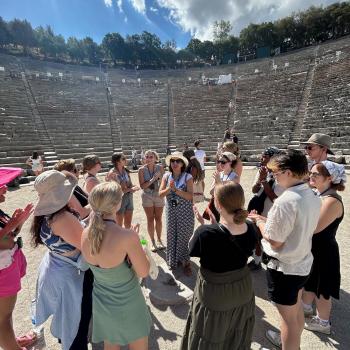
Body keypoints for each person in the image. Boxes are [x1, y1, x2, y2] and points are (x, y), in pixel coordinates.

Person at [249, 150, 321, 350]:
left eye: (276, 173)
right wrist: (266, 220)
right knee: (294, 310)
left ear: (288, 172)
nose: (274, 177)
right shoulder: (311, 193)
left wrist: (260, 223)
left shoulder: (285, 200)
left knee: (286, 318)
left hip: (285, 267)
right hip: (301, 262)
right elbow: (297, 226)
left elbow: (274, 240)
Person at [181, 183, 256, 350]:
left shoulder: (205, 233)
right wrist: (213, 225)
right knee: (235, 332)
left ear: (218, 204)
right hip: (243, 288)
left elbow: (191, 249)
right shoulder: (251, 227)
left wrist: (202, 227)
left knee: (210, 335)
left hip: (216, 293)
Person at [81, 182, 152, 350]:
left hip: (102, 301)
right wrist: (139, 246)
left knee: (110, 345)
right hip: (129, 302)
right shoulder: (127, 236)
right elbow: (144, 271)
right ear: (117, 204)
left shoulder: (85, 233)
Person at [31, 170, 93, 350]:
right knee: (76, 325)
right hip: (70, 278)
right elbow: (87, 246)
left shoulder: (48, 214)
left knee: (67, 320)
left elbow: (79, 222)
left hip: (56, 270)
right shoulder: (63, 217)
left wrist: (93, 210)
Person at [302, 161, 346, 335]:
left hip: (324, 251)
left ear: (329, 178)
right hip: (315, 248)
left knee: (323, 289)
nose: (310, 176)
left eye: (315, 175)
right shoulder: (319, 194)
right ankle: (306, 309)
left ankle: (323, 322)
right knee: (311, 283)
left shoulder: (332, 200)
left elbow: (315, 227)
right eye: (310, 173)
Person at [0, 184, 36, 350]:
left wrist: (18, 224)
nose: (5, 187)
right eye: (1, 186)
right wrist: (9, 227)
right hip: (3, 267)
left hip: (8, 263)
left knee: (5, 315)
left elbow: (10, 236)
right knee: (3, 318)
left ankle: (10, 341)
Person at [248, 147, 284, 270]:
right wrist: (260, 180)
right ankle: (258, 258)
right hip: (258, 208)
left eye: (265, 156)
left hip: (270, 211)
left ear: (273, 159)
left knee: (267, 236)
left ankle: (262, 260)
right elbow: (254, 190)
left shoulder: (280, 174)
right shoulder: (262, 170)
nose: (261, 158)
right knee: (257, 235)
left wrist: (264, 180)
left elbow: (275, 198)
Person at [159, 152, 194, 276]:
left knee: (183, 235)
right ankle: (173, 260)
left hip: (185, 212)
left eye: (177, 161)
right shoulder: (166, 176)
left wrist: (176, 190)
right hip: (172, 212)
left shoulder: (188, 177)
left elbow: (190, 196)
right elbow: (160, 194)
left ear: (182, 164)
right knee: (172, 235)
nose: (174, 163)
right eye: (172, 161)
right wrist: (169, 188)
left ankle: (186, 262)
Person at [138, 150, 165, 252]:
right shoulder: (141, 170)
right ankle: (152, 242)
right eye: (147, 157)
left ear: (155, 158)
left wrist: (161, 178)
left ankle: (159, 240)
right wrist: (153, 179)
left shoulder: (160, 168)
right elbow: (142, 186)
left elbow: (164, 182)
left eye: (151, 157)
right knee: (150, 219)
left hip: (158, 195)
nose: (149, 159)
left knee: (158, 218)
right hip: (147, 195)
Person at [106, 153, 139, 229]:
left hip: (129, 197)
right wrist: (130, 189)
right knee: (119, 225)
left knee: (128, 223)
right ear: (117, 162)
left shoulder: (125, 171)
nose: (126, 160)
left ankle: (126, 239)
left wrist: (134, 187)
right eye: (123, 159)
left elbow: (130, 185)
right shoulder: (112, 173)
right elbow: (117, 190)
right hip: (119, 200)